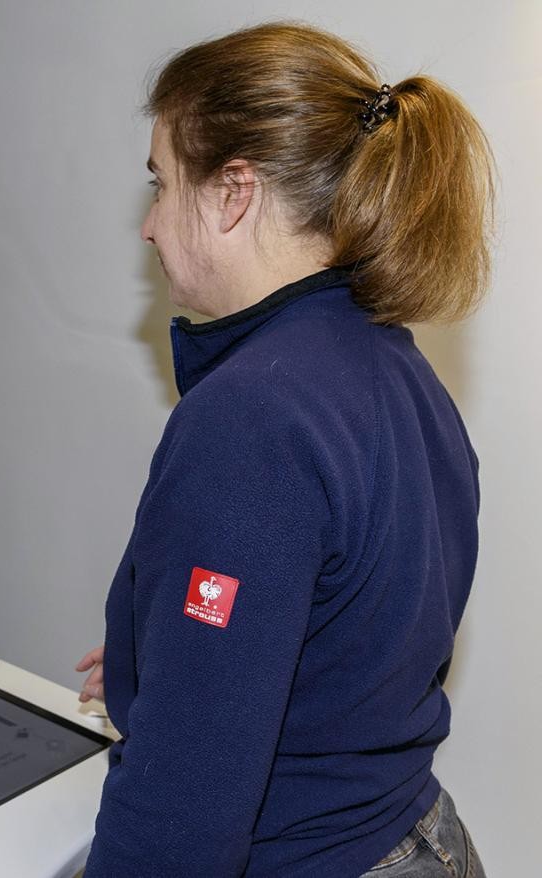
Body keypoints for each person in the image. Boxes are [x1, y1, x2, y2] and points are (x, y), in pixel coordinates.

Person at [74, 22, 493, 877]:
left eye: (160, 185)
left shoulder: (251, 418)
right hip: (423, 839)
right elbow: (368, 637)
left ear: (234, 192)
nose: (149, 227)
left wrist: (194, 698)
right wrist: (180, 662)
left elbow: (182, 817)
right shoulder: (400, 374)